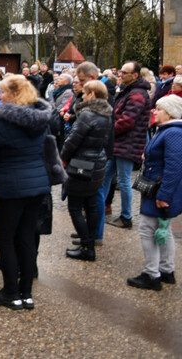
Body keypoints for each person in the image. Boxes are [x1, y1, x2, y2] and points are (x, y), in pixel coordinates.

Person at [0, 74, 52, 310]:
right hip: (36, 185)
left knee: (5, 238)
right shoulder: (39, 119)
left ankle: (10, 293)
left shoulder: (5, 121)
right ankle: (26, 293)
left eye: (5, 92)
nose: (1, 96)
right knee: (26, 237)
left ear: (15, 94)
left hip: (11, 186)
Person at [125, 94, 182, 290]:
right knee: (163, 229)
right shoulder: (167, 130)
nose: (154, 111)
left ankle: (152, 274)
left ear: (170, 113)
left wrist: (164, 195)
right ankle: (166, 270)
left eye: (159, 109)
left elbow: (174, 167)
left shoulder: (173, 133)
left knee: (147, 229)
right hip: (158, 189)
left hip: (159, 191)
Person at [60, 80, 112, 261]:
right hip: (97, 163)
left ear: (93, 94)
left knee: (75, 206)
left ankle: (86, 246)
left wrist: (63, 158)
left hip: (81, 163)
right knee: (91, 205)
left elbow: (73, 140)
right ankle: (89, 245)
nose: (82, 96)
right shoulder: (106, 114)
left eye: (85, 93)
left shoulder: (87, 114)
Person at [102, 61, 151, 231]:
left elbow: (127, 121)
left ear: (135, 75)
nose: (120, 75)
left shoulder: (137, 94)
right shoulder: (128, 90)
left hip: (128, 144)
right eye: (120, 72)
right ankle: (98, 210)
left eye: (124, 72)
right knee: (105, 176)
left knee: (123, 181)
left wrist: (108, 132)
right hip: (119, 143)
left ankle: (126, 216)